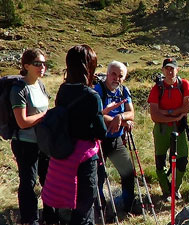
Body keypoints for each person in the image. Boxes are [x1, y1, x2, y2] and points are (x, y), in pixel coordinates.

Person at [41, 44, 107, 224]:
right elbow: (101, 132)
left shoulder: (63, 90)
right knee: (84, 208)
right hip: (84, 159)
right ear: (89, 66)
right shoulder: (92, 96)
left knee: (68, 208)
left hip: (63, 154)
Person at [10, 48, 58, 225]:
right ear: (26, 65)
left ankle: (51, 217)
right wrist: (46, 116)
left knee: (48, 179)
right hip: (25, 143)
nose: (42, 67)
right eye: (38, 64)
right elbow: (22, 122)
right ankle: (30, 220)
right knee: (29, 182)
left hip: (43, 142)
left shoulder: (40, 85)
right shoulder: (18, 89)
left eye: (44, 63)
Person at [147, 58, 189, 200]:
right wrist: (175, 116)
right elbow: (155, 116)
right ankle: (166, 191)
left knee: (182, 160)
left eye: (172, 68)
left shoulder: (184, 84)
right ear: (162, 70)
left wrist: (166, 112)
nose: (169, 71)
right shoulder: (157, 88)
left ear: (177, 70)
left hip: (179, 128)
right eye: (167, 68)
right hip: (161, 130)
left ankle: (175, 187)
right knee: (160, 161)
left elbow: (187, 108)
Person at [93, 60, 136, 213]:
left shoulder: (124, 91)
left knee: (128, 173)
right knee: (97, 176)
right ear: (107, 73)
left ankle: (127, 205)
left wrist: (120, 117)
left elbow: (131, 114)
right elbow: (96, 115)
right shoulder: (97, 91)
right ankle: (100, 209)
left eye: (120, 76)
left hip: (116, 140)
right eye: (113, 74)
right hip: (98, 141)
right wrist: (120, 122)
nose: (116, 78)